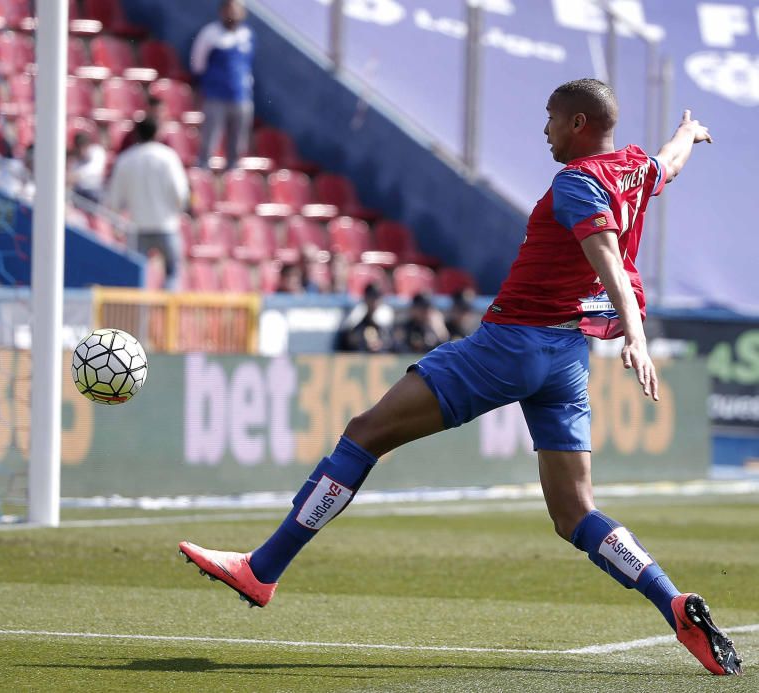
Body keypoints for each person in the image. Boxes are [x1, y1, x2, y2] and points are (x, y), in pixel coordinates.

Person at [178, 80, 741, 676]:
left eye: (550, 119)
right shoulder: (634, 167)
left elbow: (606, 256)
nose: (543, 131)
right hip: (567, 356)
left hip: (510, 343)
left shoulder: (576, 183)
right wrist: (689, 132)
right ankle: (672, 601)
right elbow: (669, 164)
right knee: (575, 512)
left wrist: (637, 334)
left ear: (577, 123)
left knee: (365, 431)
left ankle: (262, 569)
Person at [104, 117, 189, 290]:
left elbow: (114, 199)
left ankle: (138, 316)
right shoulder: (168, 157)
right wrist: (178, 211)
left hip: (138, 228)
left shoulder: (126, 159)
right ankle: (167, 315)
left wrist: (116, 225)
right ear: (157, 134)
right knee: (172, 274)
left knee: (136, 279)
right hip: (166, 226)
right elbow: (180, 193)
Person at [189, 0, 254, 170]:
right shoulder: (210, 34)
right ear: (222, 11)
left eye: (237, 10)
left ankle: (233, 178)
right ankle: (203, 174)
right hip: (215, 96)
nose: (233, 14)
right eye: (230, 10)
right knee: (210, 140)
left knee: (238, 144)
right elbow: (198, 63)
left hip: (241, 97)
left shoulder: (247, 35)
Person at [336, 282, 394, 353]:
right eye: (371, 298)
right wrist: (365, 343)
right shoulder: (357, 315)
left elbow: (393, 343)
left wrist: (382, 344)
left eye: (377, 298)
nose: (374, 302)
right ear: (366, 298)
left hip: (382, 357)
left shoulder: (385, 316)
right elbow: (348, 341)